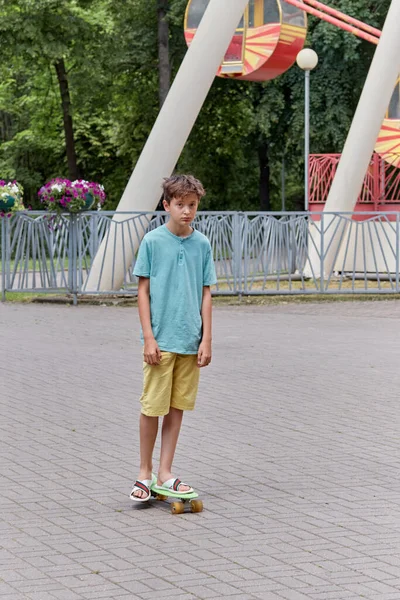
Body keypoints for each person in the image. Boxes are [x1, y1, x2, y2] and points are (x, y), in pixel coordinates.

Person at [130, 174, 217, 502]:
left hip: (189, 341)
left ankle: (165, 472)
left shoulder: (202, 244)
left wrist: (206, 338)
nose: (186, 211)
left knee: (177, 407)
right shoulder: (153, 241)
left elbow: (207, 293)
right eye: (180, 204)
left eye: (192, 205)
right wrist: (149, 338)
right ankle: (144, 471)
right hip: (161, 340)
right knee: (152, 406)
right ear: (166, 205)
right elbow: (143, 292)